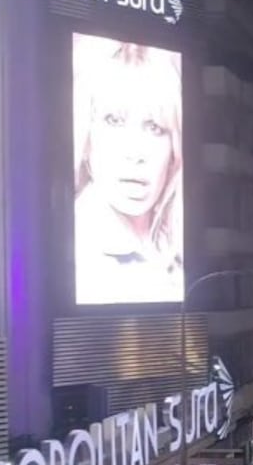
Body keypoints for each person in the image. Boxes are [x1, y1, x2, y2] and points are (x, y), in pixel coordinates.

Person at [72, 35, 183, 305]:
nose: (135, 153)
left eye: (154, 127)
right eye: (114, 120)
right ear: (87, 139)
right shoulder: (77, 253)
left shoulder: (174, 242)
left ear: (174, 150)